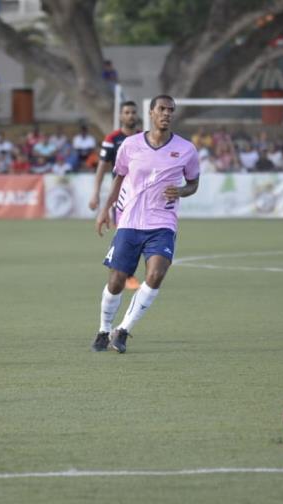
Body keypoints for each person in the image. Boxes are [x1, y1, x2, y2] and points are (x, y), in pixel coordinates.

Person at [91, 95, 200, 354]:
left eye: (170, 110)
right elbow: (118, 178)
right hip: (129, 221)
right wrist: (106, 209)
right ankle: (104, 330)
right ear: (151, 113)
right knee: (116, 282)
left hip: (162, 223)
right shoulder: (130, 145)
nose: (166, 114)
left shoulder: (186, 149)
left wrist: (182, 191)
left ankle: (124, 330)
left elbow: (194, 183)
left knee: (156, 275)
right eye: (162, 109)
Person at [89, 100, 143, 290]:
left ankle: (120, 269)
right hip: (120, 194)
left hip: (141, 194)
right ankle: (126, 274)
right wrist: (95, 193)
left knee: (137, 232)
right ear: (120, 116)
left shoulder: (143, 138)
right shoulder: (112, 139)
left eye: (133, 112)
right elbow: (102, 166)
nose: (130, 115)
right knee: (124, 231)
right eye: (127, 112)